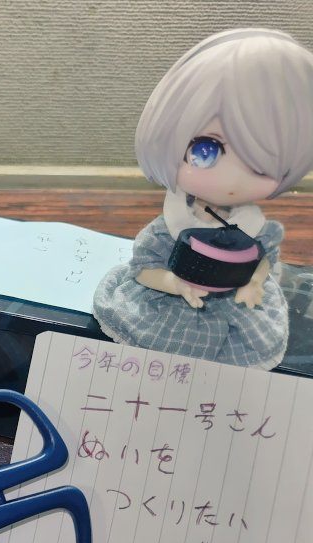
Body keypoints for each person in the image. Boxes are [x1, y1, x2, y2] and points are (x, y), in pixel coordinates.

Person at [93, 29, 313, 369]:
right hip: (172, 304)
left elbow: (264, 259)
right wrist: (175, 283)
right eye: (205, 150)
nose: (231, 180)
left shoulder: (253, 225)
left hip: (235, 305)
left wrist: (255, 283)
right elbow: (144, 269)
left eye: (261, 164)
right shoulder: (171, 225)